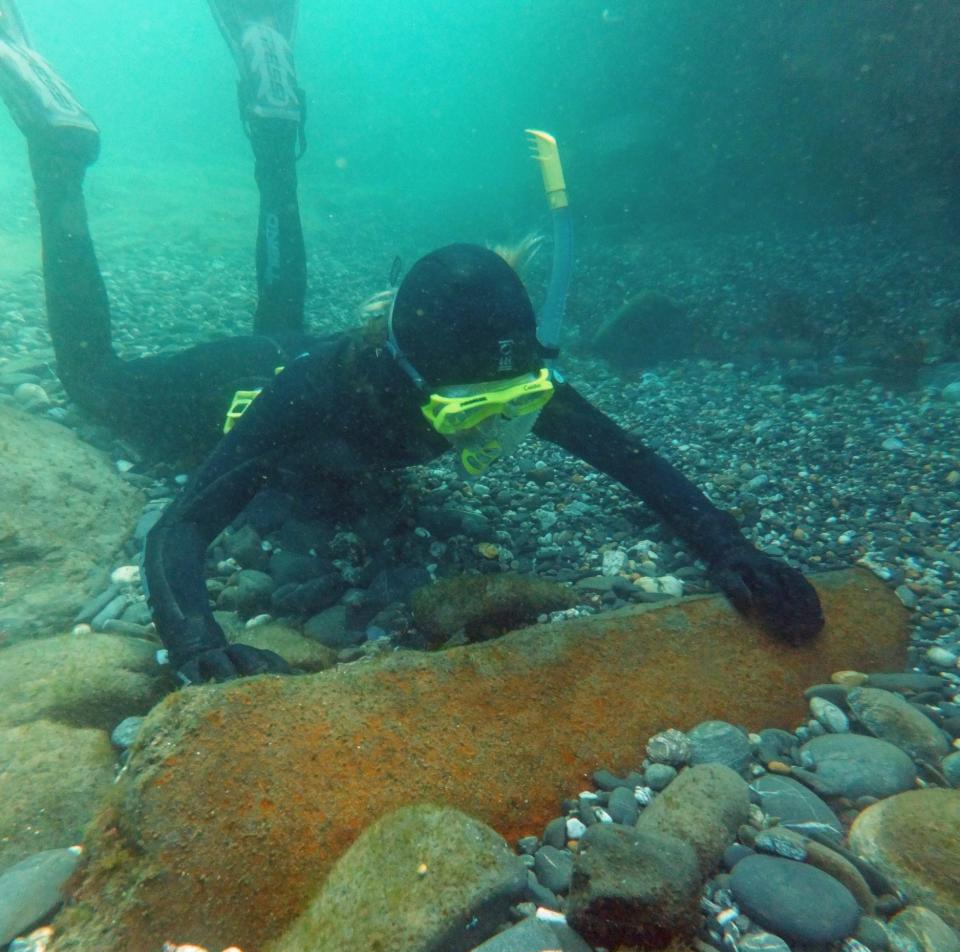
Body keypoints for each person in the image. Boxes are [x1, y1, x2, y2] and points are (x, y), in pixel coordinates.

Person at [0, 0, 824, 684]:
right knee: (91, 381)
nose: (490, 422)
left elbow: (628, 456)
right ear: (403, 372)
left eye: (513, 401)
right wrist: (200, 651)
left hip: (294, 355)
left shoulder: (496, 362)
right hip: (234, 386)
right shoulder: (314, 397)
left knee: (276, 313)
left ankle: (274, 124)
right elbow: (178, 529)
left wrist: (728, 547)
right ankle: (56, 157)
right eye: (471, 408)